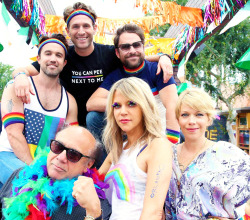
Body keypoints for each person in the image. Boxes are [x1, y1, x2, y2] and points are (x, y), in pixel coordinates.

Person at [12, 2, 174, 127]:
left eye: (86, 26)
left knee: (94, 118)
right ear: (68, 31)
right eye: (75, 27)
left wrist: (163, 57)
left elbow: (135, 56)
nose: (81, 31)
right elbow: (24, 70)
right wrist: (19, 76)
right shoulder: (62, 56)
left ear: (95, 28)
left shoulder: (110, 53)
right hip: (71, 121)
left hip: (103, 120)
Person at [0, 126, 111, 220]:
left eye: (73, 155)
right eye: (58, 147)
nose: (61, 158)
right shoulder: (21, 176)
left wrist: (93, 210)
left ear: (88, 164)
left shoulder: (95, 204)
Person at [164, 88, 250, 220]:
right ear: (177, 119)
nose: (191, 121)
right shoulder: (168, 154)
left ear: (209, 119)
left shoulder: (226, 153)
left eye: (199, 115)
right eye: (185, 115)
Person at [99, 77, 173, 220]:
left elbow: (153, 210)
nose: (122, 111)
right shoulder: (118, 149)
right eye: (116, 105)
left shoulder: (157, 145)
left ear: (145, 106)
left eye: (131, 103)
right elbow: (93, 186)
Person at [0, 34, 78, 188]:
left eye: (58, 55)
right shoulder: (17, 86)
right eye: (48, 54)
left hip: (46, 164)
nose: (53, 59)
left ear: (64, 62)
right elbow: (13, 134)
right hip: (8, 155)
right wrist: (37, 174)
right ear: (39, 59)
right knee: (30, 187)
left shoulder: (70, 101)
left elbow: (71, 142)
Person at [86, 23, 179, 144]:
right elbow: (91, 104)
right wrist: (129, 103)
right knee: (93, 118)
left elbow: (173, 106)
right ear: (117, 53)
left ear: (143, 47)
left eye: (136, 45)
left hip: (157, 134)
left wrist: (170, 144)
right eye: (125, 47)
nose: (132, 50)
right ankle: (110, 160)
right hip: (129, 136)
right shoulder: (115, 76)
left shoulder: (158, 70)